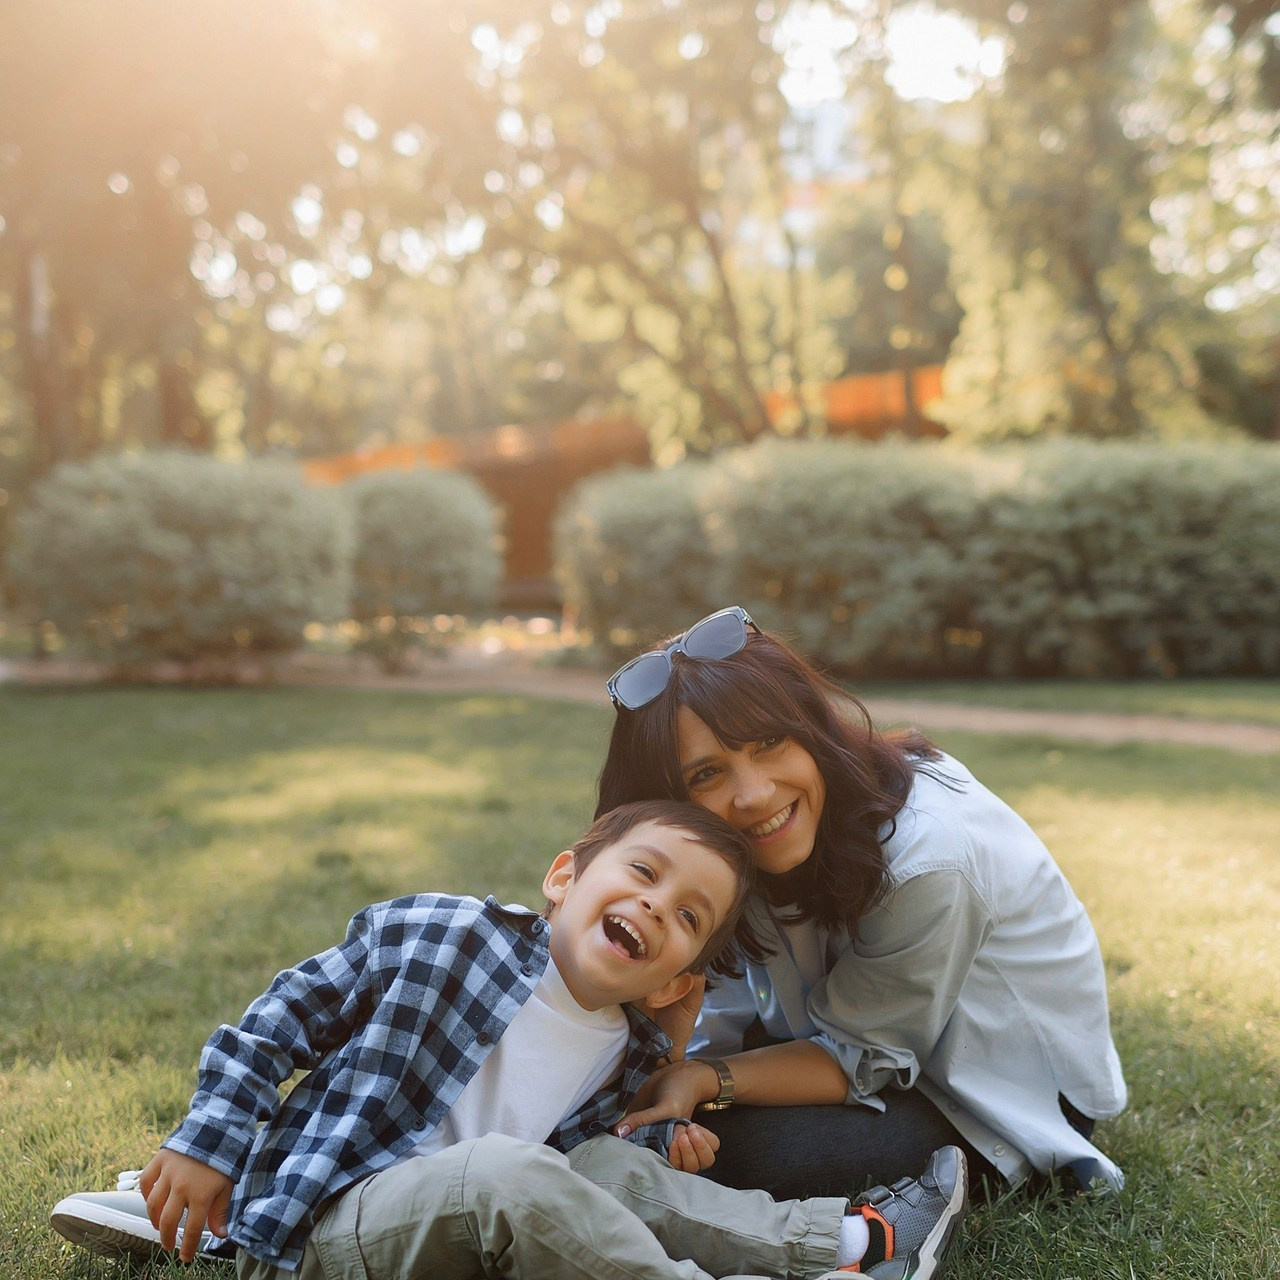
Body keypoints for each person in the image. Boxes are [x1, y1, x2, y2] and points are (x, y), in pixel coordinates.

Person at [51, 798, 970, 1280]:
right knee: (505, 1172)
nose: (655, 904)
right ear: (566, 876)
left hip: (461, 1236)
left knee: (606, 1172)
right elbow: (278, 1022)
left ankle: (853, 1242)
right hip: (324, 1237)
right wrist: (206, 1143)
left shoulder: (627, 1046)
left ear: (680, 972)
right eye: (643, 872)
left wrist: (664, 1133)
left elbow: (587, 1182)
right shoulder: (443, 935)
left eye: (687, 916)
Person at [597, 606, 1127, 1200]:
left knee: (732, 1162)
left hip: (990, 1090)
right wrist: (670, 1071)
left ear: (812, 726)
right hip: (844, 1028)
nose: (753, 794)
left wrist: (703, 1078)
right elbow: (722, 1005)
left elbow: (863, 1054)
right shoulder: (728, 848)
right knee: (633, 1122)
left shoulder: (928, 860)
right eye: (705, 775)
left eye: (769, 741)